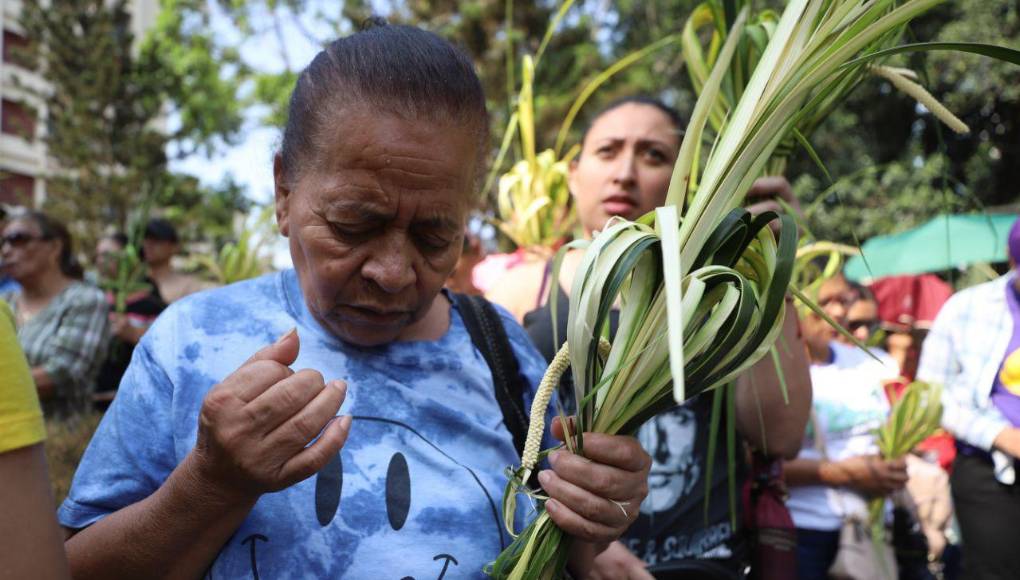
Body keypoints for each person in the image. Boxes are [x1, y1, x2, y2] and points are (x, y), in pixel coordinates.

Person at [57, 23, 651, 579]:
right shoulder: (192, 339)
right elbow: (70, 564)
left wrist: (596, 516)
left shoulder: (500, 351)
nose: (392, 273)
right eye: (352, 224)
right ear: (284, 191)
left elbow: (565, 541)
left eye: (434, 236)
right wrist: (211, 485)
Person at [488, 96, 813, 579]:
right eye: (607, 151)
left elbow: (778, 435)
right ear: (574, 173)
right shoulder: (520, 290)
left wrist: (769, 269)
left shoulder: (722, 291)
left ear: (685, 179)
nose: (624, 172)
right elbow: (491, 448)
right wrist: (581, 548)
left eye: (653, 155)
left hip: (705, 564)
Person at [783, 274, 908, 580]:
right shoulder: (775, 369)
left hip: (870, 528)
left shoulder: (872, 362)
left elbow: (899, 433)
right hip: (804, 531)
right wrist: (845, 473)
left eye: (843, 301)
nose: (837, 313)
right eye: (823, 301)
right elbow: (754, 462)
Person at [916, 217, 1020, 580]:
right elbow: (931, 391)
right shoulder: (966, 308)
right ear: (1011, 260)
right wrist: (1000, 435)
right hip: (988, 472)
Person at [0, 211, 110, 418]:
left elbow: (61, 374)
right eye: (3, 242)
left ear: (54, 247)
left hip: (56, 440)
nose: (6, 250)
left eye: (18, 239)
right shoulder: (4, 302)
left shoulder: (84, 300)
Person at [0, 298, 71, 580]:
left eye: (21, 247)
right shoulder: (15, 299)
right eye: (8, 248)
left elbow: (66, 370)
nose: (9, 251)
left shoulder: (82, 300)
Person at [93, 232, 166, 409]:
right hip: (94, 399)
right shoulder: (93, 297)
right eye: (97, 255)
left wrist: (135, 335)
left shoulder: (153, 304)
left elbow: (165, 351)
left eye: (107, 254)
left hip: (131, 401)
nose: (101, 260)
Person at [142, 217, 211, 303]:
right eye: (145, 239)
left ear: (174, 247)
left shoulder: (189, 286)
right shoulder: (133, 283)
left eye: (156, 239)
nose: (147, 245)